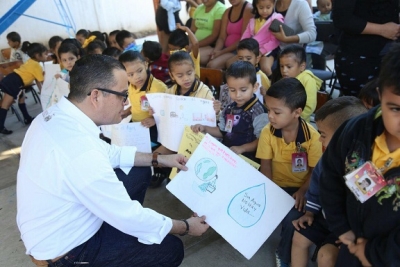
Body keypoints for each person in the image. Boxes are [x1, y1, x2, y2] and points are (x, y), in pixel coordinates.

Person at [17, 54, 209, 267]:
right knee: (169, 249)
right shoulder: (79, 151)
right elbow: (128, 215)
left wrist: (162, 159)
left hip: (59, 225)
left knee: (139, 170)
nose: (126, 102)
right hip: (68, 252)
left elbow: (111, 154)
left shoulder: (56, 116)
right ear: (96, 96)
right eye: (123, 94)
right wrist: (186, 226)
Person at [319, 43, 400, 267]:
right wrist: (341, 227)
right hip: (353, 243)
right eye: (395, 109)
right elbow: (331, 176)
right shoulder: (355, 130)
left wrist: (374, 254)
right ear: (380, 94)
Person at [291, 96, 367, 267]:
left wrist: (355, 233)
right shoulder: (327, 159)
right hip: (324, 217)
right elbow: (317, 187)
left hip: (348, 227)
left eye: (323, 134)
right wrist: (310, 212)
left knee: (326, 256)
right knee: (299, 237)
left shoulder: (363, 168)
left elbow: (367, 207)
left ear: (346, 134)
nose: (319, 139)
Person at [256, 78, 322, 267]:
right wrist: (270, 190)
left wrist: (302, 191)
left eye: (276, 112)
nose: (270, 116)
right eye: (268, 110)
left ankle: (283, 254)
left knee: (292, 219)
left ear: (297, 112)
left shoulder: (313, 138)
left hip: (300, 188)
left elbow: (314, 172)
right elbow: (265, 165)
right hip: (274, 183)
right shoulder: (268, 133)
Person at [152, 51, 220, 186]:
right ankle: (165, 173)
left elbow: (213, 119)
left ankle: (180, 179)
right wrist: (155, 112)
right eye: (180, 75)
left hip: (196, 140)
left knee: (184, 169)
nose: (186, 78)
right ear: (171, 76)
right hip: (174, 139)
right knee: (155, 156)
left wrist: (216, 111)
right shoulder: (170, 92)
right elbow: (165, 116)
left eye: (189, 73)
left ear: (194, 70)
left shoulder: (204, 91)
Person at [191, 61, 268, 161]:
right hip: (227, 156)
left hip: (248, 161)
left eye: (243, 90)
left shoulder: (259, 112)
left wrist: (242, 148)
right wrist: (204, 128)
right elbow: (223, 131)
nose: (237, 95)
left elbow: (262, 141)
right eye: (232, 90)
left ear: (255, 87)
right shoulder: (230, 109)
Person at [332, 0, 399, 96]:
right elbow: (342, 19)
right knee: (360, 106)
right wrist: (382, 30)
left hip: (391, 55)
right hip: (359, 56)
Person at [118, 50, 167, 143]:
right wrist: (127, 112)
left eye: (139, 71)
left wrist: (154, 119)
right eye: (130, 75)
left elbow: (167, 111)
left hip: (153, 125)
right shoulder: (130, 86)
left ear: (146, 64)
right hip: (136, 123)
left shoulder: (158, 88)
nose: (137, 77)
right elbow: (137, 104)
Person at [0, 42, 48, 135]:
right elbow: (41, 81)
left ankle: (27, 118)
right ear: (38, 55)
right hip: (14, 82)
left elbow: (37, 80)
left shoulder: (31, 61)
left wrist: (42, 92)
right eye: (45, 54)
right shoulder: (37, 66)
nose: (47, 56)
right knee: (5, 105)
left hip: (15, 80)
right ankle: (1, 127)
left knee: (21, 99)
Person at [275, 44, 322, 122]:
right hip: (282, 121)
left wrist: (292, 118)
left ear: (302, 66)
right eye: (281, 66)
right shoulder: (284, 79)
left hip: (299, 123)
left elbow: (309, 107)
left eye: (289, 67)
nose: (284, 70)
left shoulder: (308, 80)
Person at [269, 0, 316, 74]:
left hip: (293, 55)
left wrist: (287, 39)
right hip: (271, 50)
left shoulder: (300, 4)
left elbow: (312, 34)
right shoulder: (270, 3)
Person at [238, 0, 283, 76]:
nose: (265, 11)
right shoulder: (253, 21)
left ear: (273, 4)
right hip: (253, 48)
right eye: (261, 8)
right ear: (256, 6)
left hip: (269, 49)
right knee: (232, 63)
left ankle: (271, 84)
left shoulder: (276, 19)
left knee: (265, 68)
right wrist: (242, 47)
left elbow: (275, 41)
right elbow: (245, 36)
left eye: (268, 7)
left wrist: (261, 51)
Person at [206, 0, 254, 69]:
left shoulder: (248, 10)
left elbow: (243, 39)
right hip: (224, 48)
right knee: (199, 57)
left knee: (211, 66)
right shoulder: (227, 11)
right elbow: (222, 37)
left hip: (238, 50)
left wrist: (221, 52)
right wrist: (215, 51)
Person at [191, 0, 226, 66]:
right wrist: (190, 43)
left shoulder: (220, 9)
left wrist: (195, 45)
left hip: (211, 46)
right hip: (195, 44)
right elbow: (192, 30)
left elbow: (214, 35)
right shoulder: (199, 8)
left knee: (191, 57)